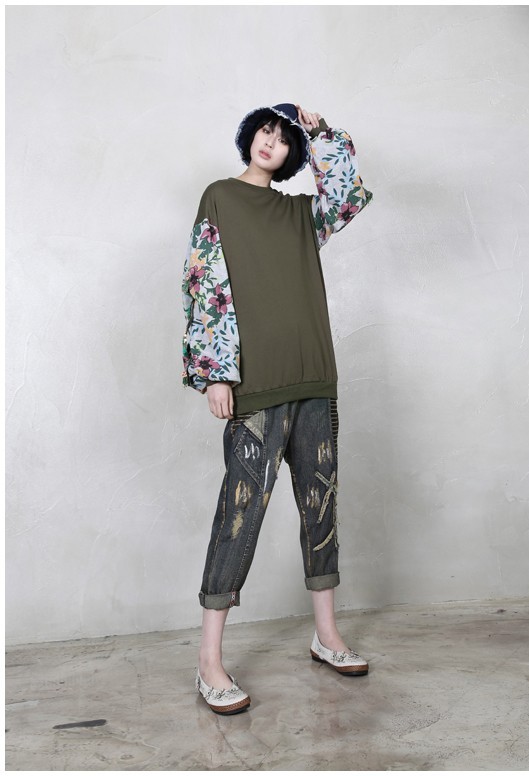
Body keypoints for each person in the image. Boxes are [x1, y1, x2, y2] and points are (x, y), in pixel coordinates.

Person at [181, 102, 373, 715]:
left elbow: (348, 194)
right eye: (265, 131)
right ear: (249, 137)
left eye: (285, 138)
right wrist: (216, 374)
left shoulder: (301, 214)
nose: (272, 142)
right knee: (239, 515)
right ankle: (209, 660)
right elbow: (205, 284)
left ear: (294, 153)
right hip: (256, 386)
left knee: (321, 507)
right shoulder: (220, 198)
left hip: (314, 378)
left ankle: (327, 635)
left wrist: (321, 132)